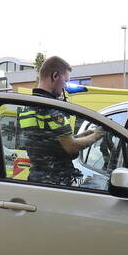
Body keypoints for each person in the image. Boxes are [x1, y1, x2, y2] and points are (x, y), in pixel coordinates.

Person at [18, 55, 105, 184]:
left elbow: (50, 142)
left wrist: (83, 135)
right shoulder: (51, 109)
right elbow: (71, 147)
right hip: (56, 183)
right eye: (66, 81)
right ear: (55, 76)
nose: (65, 87)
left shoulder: (26, 108)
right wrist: (96, 136)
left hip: (36, 179)